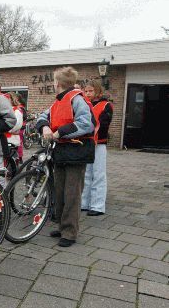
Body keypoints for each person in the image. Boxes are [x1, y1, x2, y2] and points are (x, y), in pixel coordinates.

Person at [36, 66, 97, 247]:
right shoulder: (58, 102)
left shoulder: (77, 100)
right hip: (61, 152)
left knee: (72, 194)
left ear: (58, 83)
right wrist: (45, 127)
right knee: (60, 191)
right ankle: (63, 226)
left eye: (54, 81)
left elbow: (87, 123)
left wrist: (59, 133)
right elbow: (43, 116)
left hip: (76, 152)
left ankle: (70, 232)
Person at [81, 80, 113, 216]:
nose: (88, 93)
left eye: (91, 91)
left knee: (98, 174)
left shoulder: (106, 105)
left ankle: (97, 206)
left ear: (98, 91)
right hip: (86, 143)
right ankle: (84, 203)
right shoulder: (83, 105)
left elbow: (104, 124)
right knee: (86, 174)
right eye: (86, 91)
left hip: (99, 143)